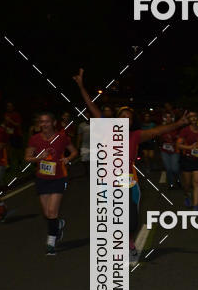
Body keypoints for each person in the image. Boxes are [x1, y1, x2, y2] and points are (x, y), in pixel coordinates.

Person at [73, 70, 189, 259]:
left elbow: (159, 130)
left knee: (132, 219)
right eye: (122, 116)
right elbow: (92, 107)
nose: (125, 119)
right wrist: (81, 86)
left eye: (129, 117)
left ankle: (129, 241)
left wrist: (179, 123)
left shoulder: (136, 136)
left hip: (128, 181)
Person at [25, 112, 78, 255]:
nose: (44, 124)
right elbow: (27, 157)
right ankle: (58, 224)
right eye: (41, 122)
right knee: (47, 213)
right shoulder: (35, 139)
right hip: (42, 179)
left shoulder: (62, 137)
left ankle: (51, 242)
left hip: (58, 178)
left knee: (52, 211)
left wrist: (68, 159)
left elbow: (74, 152)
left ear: (54, 123)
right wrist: (38, 158)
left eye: (47, 121)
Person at [177, 111, 198, 208]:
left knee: (197, 182)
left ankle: (196, 206)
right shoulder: (185, 131)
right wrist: (190, 147)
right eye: (191, 117)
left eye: (195, 116)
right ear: (188, 119)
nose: (193, 118)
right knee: (187, 184)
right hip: (187, 160)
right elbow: (178, 145)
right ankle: (187, 195)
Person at [159, 110, 180, 188]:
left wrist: (174, 141)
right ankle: (171, 184)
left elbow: (180, 138)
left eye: (170, 117)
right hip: (164, 151)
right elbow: (157, 138)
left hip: (174, 150)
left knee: (175, 168)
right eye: (166, 117)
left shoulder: (176, 127)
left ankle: (178, 180)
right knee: (168, 168)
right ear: (164, 118)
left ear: (172, 118)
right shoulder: (161, 127)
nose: (168, 118)